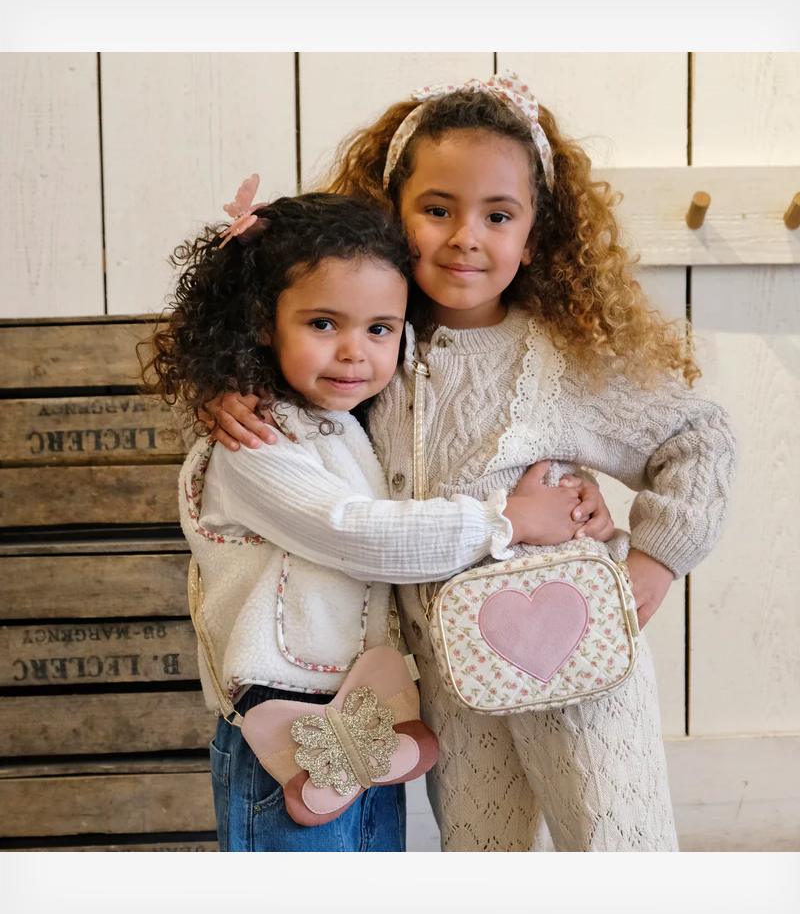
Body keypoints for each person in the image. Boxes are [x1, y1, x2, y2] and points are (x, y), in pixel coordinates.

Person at [204, 72, 736, 852]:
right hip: (452, 681)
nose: (466, 237)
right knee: (482, 850)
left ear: (534, 235)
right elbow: (283, 370)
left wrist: (655, 561)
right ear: (392, 212)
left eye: (498, 215)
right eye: (437, 209)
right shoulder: (370, 344)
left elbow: (698, 437)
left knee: (618, 843)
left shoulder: (560, 358)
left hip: (576, 661)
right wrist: (225, 386)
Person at [144, 187, 614, 852]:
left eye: (379, 329)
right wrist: (506, 519)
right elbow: (358, 532)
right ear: (260, 322)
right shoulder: (252, 443)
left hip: (368, 719)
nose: (354, 353)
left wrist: (570, 491)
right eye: (323, 324)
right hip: (281, 731)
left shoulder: (349, 421)